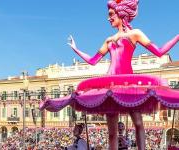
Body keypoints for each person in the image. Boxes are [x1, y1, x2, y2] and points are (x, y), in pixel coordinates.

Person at [40, 0, 179, 149]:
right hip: (110, 86)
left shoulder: (135, 33)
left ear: (121, 13)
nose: (109, 18)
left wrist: (177, 36)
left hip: (128, 85)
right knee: (112, 132)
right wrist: (76, 49)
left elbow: (160, 51)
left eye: (111, 14)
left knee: (138, 123)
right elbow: (93, 61)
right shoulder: (108, 40)